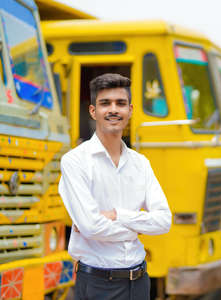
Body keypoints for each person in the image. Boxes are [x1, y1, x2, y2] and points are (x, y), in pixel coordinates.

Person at [58, 73, 172, 300]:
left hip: (139, 283)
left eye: (120, 103)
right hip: (98, 285)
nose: (113, 110)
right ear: (93, 111)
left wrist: (116, 215)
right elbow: (91, 227)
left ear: (130, 110)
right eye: (105, 103)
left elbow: (164, 221)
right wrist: (138, 227)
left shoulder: (141, 164)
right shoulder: (74, 161)